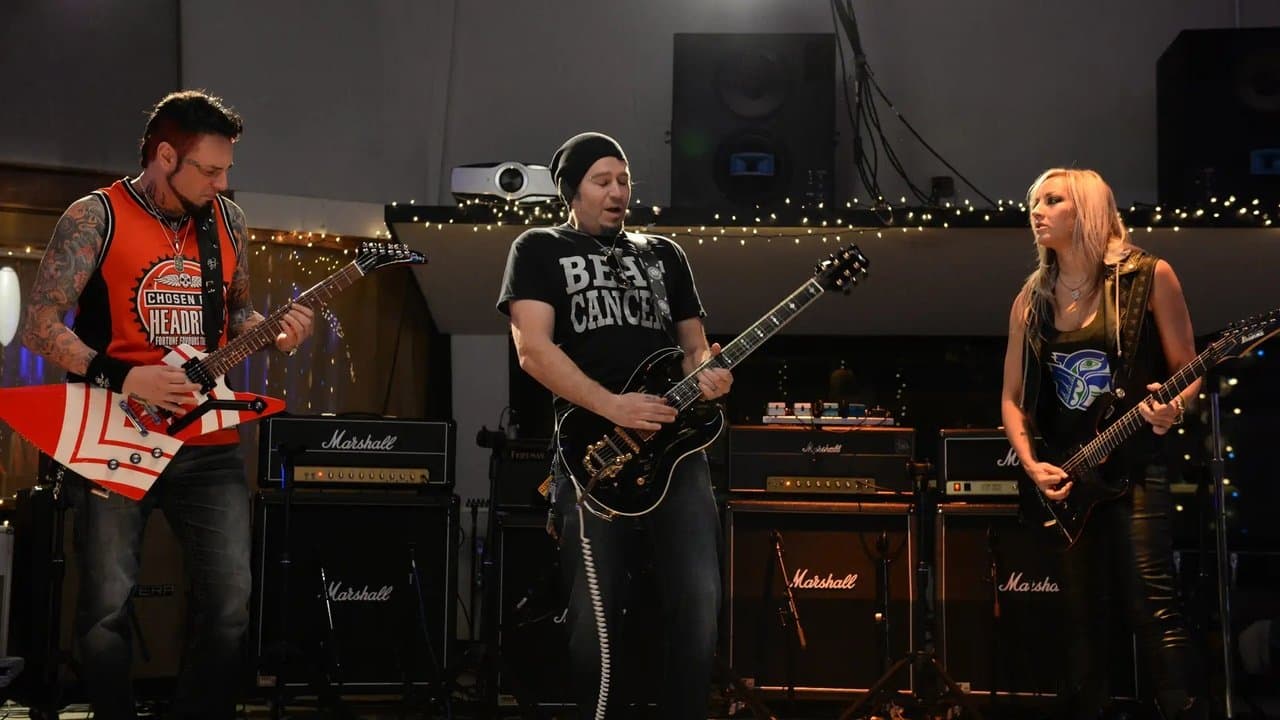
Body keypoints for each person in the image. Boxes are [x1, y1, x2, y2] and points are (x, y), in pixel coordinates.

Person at [20, 90, 314, 719]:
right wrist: (125, 376)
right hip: (114, 433)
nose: (221, 182)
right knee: (106, 606)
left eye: (226, 169)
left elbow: (237, 314)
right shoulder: (94, 216)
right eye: (209, 170)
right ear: (164, 156)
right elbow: (39, 327)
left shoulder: (226, 221)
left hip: (206, 441)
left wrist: (276, 330)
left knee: (231, 604)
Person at [497, 131, 731, 718]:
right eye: (602, 181)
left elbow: (694, 347)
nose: (618, 191)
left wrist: (708, 374)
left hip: (676, 453)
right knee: (594, 618)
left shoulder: (664, 254)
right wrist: (612, 406)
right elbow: (533, 351)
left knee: (699, 600)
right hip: (593, 452)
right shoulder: (539, 248)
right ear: (571, 191)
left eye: (624, 180)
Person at [1000, 168, 1204, 719]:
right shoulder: (1031, 299)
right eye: (1035, 201)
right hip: (1069, 478)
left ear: (1087, 211)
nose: (1037, 211)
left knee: (1152, 604)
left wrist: (1173, 408)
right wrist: (1032, 464)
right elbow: (1013, 399)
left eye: (1052, 200)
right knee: (1079, 615)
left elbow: (1188, 370)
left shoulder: (1149, 275)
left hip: (1135, 466)